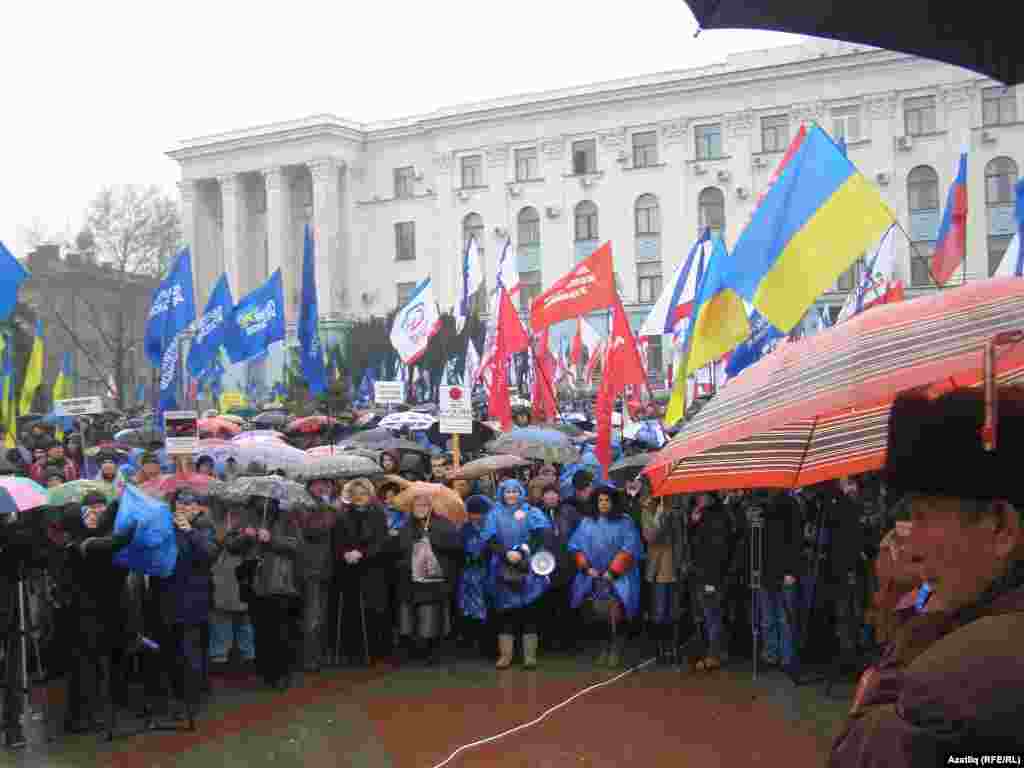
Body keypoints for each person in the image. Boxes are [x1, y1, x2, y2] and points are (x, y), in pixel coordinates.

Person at [830, 388, 1024, 766]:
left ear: (1001, 526)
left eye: (924, 515)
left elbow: (855, 755)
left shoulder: (948, 682)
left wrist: (882, 683)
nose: (912, 545)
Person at [57, 495, 136, 737]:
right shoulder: (81, 543)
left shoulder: (89, 535)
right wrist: (136, 523)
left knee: (97, 664)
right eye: (87, 514)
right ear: (76, 523)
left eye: (94, 512)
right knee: (84, 668)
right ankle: (80, 719)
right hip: (83, 617)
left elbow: (104, 524)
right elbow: (115, 542)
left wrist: (120, 500)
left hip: (99, 613)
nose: (94, 515)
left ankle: (95, 712)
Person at [148, 490, 215, 730]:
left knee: (190, 652)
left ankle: (192, 700)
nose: (183, 507)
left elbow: (210, 554)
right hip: (167, 598)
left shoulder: (203, 527)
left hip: (192, 600)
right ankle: (177, 698)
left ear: (198, 507)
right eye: (179, 503)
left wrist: (190, 531)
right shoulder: (168, 527)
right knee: (172, 652)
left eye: (189, 503)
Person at [225, 498, 303, 690]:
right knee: (260, 630)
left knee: (280, 629)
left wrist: (271, 539)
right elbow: (231, 546)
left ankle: (282, 672)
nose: (265, 503)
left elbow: (296, 545)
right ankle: (266, 672)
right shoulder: (247, 518)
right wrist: (246, 536)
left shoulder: (286, 518)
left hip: (279, 582)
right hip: (253, 582)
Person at [481, 479, 552, 670]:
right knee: (505, 612)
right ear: (502, 494)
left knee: (530, 611)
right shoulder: (494, 514)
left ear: (521, 493)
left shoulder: (531, 512)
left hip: (528, 566)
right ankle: (506, 655)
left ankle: (530, 656)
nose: (511, 495)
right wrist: (505, 553)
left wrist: (522, 552)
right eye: (507, 491)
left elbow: (541, 535)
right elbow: (490, 539)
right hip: (502, 566)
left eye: (515, 491)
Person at [568, 485, 643, 668]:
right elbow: (576, 547)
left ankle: (616, 650)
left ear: (613, 502)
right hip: (594, 577)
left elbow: (630, 548)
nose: (603, 504)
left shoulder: (625, 522)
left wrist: (613, 571)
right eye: (600, 500)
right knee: (598, 614)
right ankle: (603, 648)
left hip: (619, 578)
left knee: (617, 614)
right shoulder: (586, 522)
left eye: (607, 500)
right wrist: (587, 569)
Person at [393, 493, 462, 665]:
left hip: (434, 580)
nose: (420, 509)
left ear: (431, 507)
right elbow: (399, 548)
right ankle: (415, 649)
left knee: (431, 614)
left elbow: (455, 547)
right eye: (417, 506)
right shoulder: (406, 525)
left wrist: (432, 540)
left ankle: (432, 651)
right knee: (410, 614)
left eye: (424, 505)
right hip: (410, 579)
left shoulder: (443, 524)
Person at [333, 478, 390, 665]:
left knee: (373, 609)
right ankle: (352, 651)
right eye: (355, 494)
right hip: (349, 569)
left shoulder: (378, 513)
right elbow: (337, 541)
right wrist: (345, 554)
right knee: (351, 611)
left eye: (363, 494)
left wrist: (362, 553)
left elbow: (382, 542)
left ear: (369, 494)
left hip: (373, 569)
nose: (359, 497)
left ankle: (376, 651)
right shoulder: (342, 514)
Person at [688, 492, 734, 672]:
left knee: (712, 615)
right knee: (705, 615)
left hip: (712, 575)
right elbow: (693, 543)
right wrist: (692, 523)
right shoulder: (699, 515)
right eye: (698, 496)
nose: (700, 499)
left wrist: (712, 579)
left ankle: (714, 654)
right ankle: (712, 652)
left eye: (703, 496)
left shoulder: (719, 517)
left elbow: (719, 551)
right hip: (699, 574)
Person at [640, 490, 685, 665]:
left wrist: (683, 561)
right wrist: (659, 518)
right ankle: (660, 649)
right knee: (659, 610)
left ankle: (672, 648)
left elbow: (682, 538)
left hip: (676, 564)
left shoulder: (676, 508)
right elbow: (650, 537)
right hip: (658, 567)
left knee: (674, 609)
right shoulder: (648, 509)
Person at [208, 504, 255, 668]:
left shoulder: (249, 528)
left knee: (242, 622)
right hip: (224, 582)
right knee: (223, 622)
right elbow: (217, 546)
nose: (235, 518)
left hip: (240, 581)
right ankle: (221, 658)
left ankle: (244, 657)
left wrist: (243, 535)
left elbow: (235, 546)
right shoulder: (215, 524)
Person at [538, 482, 581, 652]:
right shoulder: (536, 513)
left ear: (559, 496)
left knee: (567, 603)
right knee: (546, 604)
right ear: (542, 497)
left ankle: (568, 641)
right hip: (543, 567)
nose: (550, 497)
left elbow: (580, 533)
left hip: (566, 564)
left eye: (553, 494)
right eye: (547, 494)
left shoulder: (569, 512)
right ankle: (548, 641)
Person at [456, 495, 492, 656]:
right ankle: (471, 640)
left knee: (485, 606)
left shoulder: (490, 528)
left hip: (486, 572)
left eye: (480, 513)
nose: (477, 516)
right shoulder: (464, 529)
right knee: (470, 608)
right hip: (470, 574)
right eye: (473, 513)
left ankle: (485, 642)